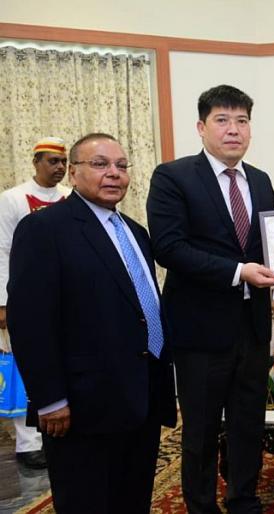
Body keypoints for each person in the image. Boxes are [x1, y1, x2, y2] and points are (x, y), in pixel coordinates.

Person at [7, 133, 176, 513]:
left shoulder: (135, 232)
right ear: (73, 172)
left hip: (141, 395)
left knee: (132, 500)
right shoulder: (44, 229)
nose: (114, 173)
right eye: (100, 164)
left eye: (121, 165)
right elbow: (29, 321)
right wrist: (50, 398)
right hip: (83, 405)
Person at [146, 84, 274, 514]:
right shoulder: (172, 177)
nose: (233, 130)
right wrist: (238, 272)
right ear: (201, 127)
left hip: (252, 326)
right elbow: (169, 247)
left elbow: (265, 246)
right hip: (200, 330)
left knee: (249, 424)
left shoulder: (260, 180)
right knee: (201, 431)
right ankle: (201, 507)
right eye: (222, 120)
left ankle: (244, 501)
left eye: (242, 121)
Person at [0, 137, 71, 470]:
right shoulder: (12, 199)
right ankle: (28, 443)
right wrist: (3, 302)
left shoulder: (70, 196)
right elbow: (2, 251)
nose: (59, 168)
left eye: (63, 162)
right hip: (26, 298)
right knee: (27, 365)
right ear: (36, 162)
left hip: (68, 299)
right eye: (52, 161)